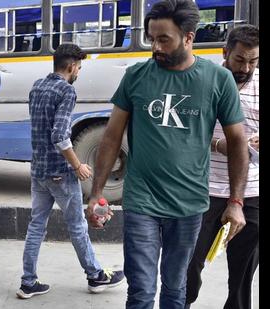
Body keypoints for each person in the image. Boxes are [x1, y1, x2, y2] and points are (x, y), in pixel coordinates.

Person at [87, 1, 249, 308]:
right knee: (141, 292)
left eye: (164, 39)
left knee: (176, 291)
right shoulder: (136, 76)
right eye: (151, 38)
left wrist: (236, 202)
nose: (155, 47)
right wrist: (96, 192)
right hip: (141, 202)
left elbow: (238, 143)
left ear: (189, 38)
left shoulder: (218, 80)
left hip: (189, 205)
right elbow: (111, 137)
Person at [16, 43, 125, 299]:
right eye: (79, 68)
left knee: (36, 226)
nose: (79, 72)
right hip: (60, 172)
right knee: (77, 225)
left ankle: (28, 281)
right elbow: (60, 136)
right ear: (71, 66)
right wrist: (78, 165)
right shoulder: (66, 91)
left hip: (39, 170)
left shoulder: (37, 86)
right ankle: (96, 276)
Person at [185, 24, 259, 309]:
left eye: (253, 61)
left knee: (242, 275)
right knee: (189, 268)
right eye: (240, 60)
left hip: (251, 191)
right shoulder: (202, 82)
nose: (246, 67)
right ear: (225, 52)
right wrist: (218, 145)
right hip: (203, 189)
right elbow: (183, 134)